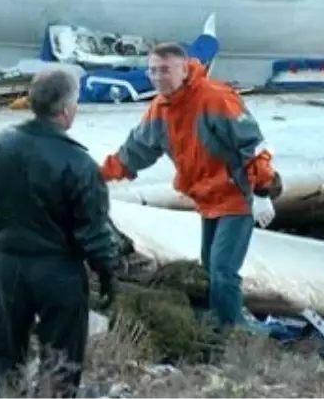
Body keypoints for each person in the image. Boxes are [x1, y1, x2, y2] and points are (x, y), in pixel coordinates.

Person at [99, 42, 283, 331]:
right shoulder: (159, 111)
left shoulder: (216, 99)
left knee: (223, 270)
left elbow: (253, 145)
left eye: (165, 70)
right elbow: (134, 152)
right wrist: (96, 176)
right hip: (207, 202)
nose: (158, 77)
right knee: (209, 270)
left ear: (184, 70)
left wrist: (262, 191)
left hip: (237, 196)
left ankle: (233, 334)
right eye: (152, 71)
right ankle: (216, 326)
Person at [0, 68, 118, 399]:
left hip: (7, 263)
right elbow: (92, 230)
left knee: (3, 355)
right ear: (66, 110)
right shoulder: (79, 163)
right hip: (58, 269)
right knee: (61, 360)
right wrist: (107, 271)